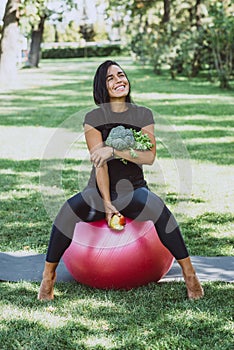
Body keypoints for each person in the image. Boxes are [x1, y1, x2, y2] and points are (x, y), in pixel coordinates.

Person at [38, 60, 204, 301]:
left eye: (121, 75)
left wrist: (114, 151)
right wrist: (106, 203)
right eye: (111, 78)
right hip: (98, 190)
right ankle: (48, 277)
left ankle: (190, 276)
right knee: (68, 210)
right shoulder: (93, 117)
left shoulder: (142, 114)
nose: (119, 80)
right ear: (102, 88)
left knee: (160, 211)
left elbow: (148, 156)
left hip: (134, 189)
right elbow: (100, 163)